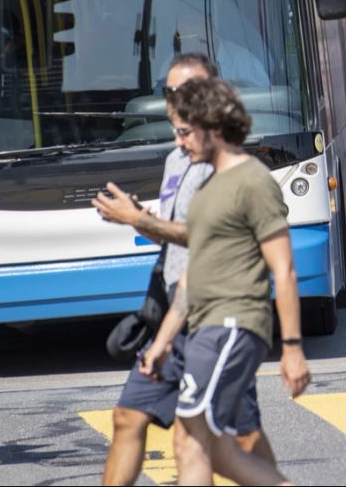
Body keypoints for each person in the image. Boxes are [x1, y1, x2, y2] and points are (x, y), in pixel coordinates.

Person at [92, 54, 276, 485]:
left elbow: (212, 241)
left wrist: (139, 221)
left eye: (185, 92)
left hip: (214, 314)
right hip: (174, 306)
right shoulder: (178, 157)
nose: (174, 101)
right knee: (128, 417)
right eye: (168, 92)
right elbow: (179, 234)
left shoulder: (224, 165)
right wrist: (139, 218)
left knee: (236, 439)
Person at [140, 77, 310, 485]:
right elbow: (192, 275)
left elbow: (283, 268)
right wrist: (162, 343)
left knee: (197, 437)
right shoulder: (206, 188)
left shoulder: (252, 181)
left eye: (185, 132)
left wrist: (292, 349)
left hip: (234, 325)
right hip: (206, 328)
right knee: (197, 442)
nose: (179, 142)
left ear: (212, 128)